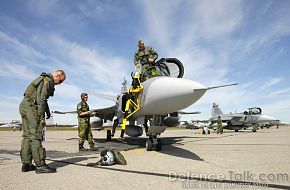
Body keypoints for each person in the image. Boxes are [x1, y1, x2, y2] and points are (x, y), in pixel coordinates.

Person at [19, 70, 66, 174]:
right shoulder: (47, 80)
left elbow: (42, 98)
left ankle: (26, 165)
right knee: (36, 134)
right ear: (57, 76)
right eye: (61, 81)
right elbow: (41, 99)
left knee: (27, 136)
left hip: (24, 105)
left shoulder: (42, 79)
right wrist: (41, 117)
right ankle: (40, 165)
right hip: (31, 107)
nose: (59, 83)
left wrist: (47, 111)